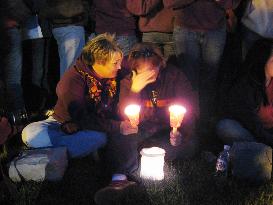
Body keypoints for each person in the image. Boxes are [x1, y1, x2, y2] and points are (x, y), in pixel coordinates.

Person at [94, 43, 199, 203]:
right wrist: (135, 90)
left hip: (166, 133)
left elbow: (191, 110)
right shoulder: (128, 82)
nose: (148, 75)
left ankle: (136, 162)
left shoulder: (175, 77)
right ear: (134, 70)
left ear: (161, 64)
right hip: (140, 132)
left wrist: (181, 134)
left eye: (152, 70)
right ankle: (119, 181)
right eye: (142, 72)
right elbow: (125, 117)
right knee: (119, 136)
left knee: (190, 145)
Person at [21, 33, 124, 158]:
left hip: (92, 127)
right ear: (98, 62)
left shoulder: (113, 76)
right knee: (30, 133)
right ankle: (63, 151)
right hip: (62, 123)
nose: (119, 67)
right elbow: (81, 117)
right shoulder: (73, 79)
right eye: (115, 63)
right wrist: (117, 126)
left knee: (99, 138)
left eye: (120, 62)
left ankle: (53, 153)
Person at [216, 39, 273, 146]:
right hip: (251, 131)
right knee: (225, 127)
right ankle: (260, 151)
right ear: (262, 61)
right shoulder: (246, 85)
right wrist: (269, 140)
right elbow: (251, 123)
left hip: (269, 131)